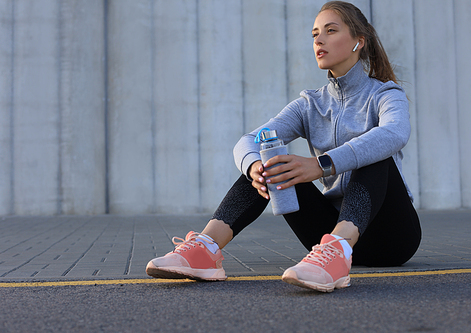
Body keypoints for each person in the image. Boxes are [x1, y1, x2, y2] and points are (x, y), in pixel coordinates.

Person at [146, 1, 421, 292]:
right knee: (270, 160)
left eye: (330, 30)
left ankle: (340, 249)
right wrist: (254, 167)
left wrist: (321, 164)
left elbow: (395, 133)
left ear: (358, 41)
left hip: (392, 235)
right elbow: (249, 140)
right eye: (315, 33)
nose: (319, 39)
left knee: (374, 152)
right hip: (326, 233)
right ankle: (206, 248)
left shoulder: (385, 94)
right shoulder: (310, 104)